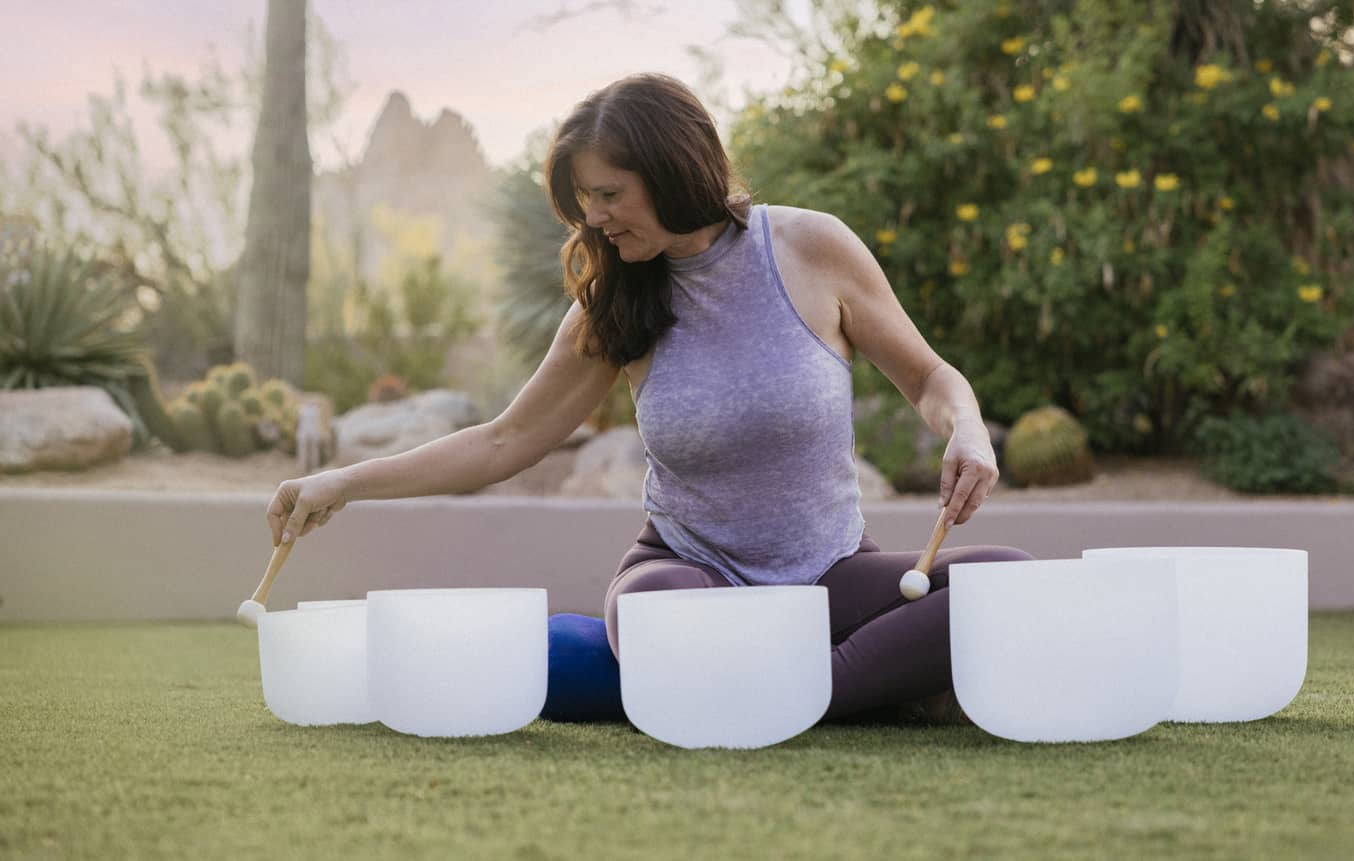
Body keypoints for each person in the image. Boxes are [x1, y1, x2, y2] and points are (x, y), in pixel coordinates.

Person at [266, 73, 1031, 722]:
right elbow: (503, 441)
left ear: (672, 168)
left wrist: (967, 427)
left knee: (1009, 581)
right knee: (654, 613)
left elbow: (932, 379)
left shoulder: (812, 249)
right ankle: (860, 686)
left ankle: (779, 690)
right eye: (582, 202)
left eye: (608, 193)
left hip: (826, 578)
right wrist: (345, 482)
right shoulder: (612, 302)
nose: (593, 218)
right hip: (686, 578)